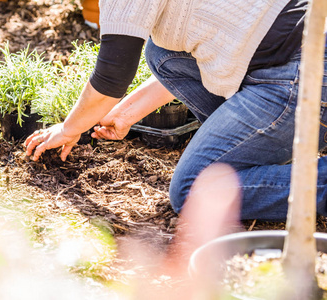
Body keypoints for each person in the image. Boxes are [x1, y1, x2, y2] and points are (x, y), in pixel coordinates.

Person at [25, 0, 327, 221]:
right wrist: (126, 112)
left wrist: (68, 129)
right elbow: (207, 49)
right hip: (301, 52)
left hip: (301, 77)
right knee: (164, 53)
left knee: (192, 191)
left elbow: (111, 77)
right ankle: (255, 151)